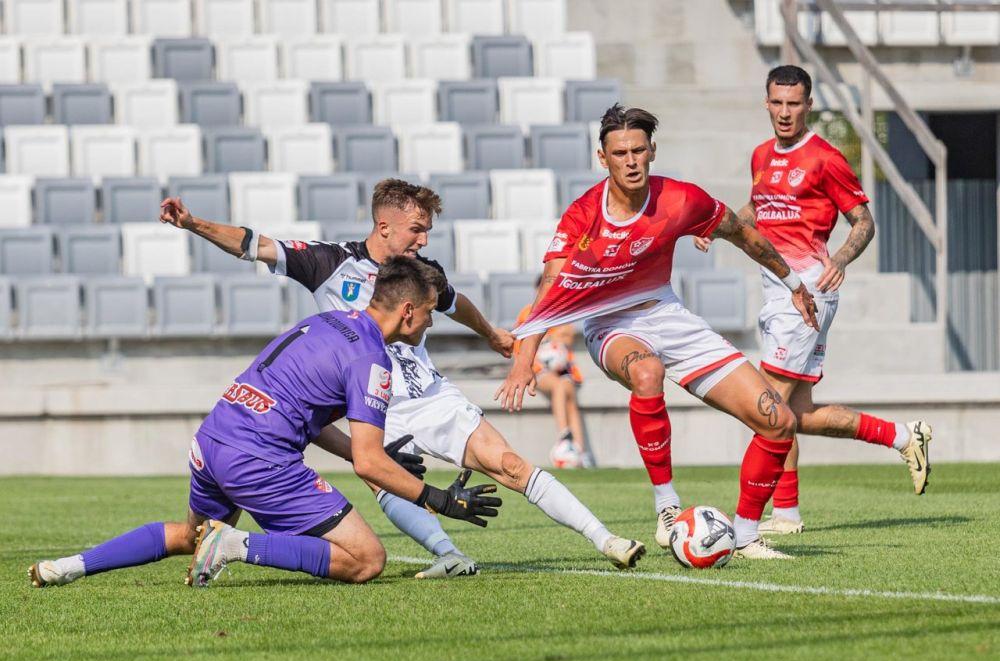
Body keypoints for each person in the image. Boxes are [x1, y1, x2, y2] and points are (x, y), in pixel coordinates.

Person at [157, 179, 646, 572]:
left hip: (431, 395)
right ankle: (448, 554)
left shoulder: (421, 269)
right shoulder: (329, 262)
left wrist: (493, 335)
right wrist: (193, 223)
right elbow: (253, 244)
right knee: (384, 478)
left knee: (510, 465)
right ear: (384, 225)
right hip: (373, 404)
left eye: (427, 230)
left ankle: (605, 539)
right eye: (416, 228)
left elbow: (455, 303)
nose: (424, 240)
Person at [30, 257, 501, 588]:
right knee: (366, 560)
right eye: (430, 315)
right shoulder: (371, 359)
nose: (430, 326)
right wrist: (440, 499)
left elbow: (305, 415)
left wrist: (378, 452)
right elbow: (368, 464)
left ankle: (68, 566)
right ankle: (237, 546)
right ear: (408, 311)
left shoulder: (325, 323)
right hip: (259, 458)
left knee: (189, 535)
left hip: (213, 440)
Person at [497, 104, 820, 560]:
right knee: (646, 373)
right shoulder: (582, 215)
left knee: (778, 421)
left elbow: (742, 234)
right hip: (610, 325)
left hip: (668, 314)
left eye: (638, 150)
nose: (630, 160)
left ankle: (745, 534)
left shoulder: (681, 199)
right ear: (602, 158)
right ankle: (667, 506)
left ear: (652, 152)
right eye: (620, 152)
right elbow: (550, 287)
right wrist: (522, 361)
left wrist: (793, 285)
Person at [692, 65, 932, 535]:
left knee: (764, 406)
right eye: (777, 103)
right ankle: (902, 438)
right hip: (773, 289)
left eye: (794, 103)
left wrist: (839, 259)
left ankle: (746, 526)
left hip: (805, 294)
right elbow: (759, 207)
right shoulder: (761, 154)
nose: (785, 112)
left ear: (809, 105)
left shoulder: (824, 158)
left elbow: (863, 221)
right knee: (795, 414)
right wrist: (723, 230)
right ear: (766, 103)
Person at [514, 279, 593, 469]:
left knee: (568, 392)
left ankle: (580, 453)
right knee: (559, 386)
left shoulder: (562, 310)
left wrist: (550, 340)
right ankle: (565, 436)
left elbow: (568, 335)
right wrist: (545, 346)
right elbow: (519, 345)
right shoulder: (527, 313)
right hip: (538, 368)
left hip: (563, 369)